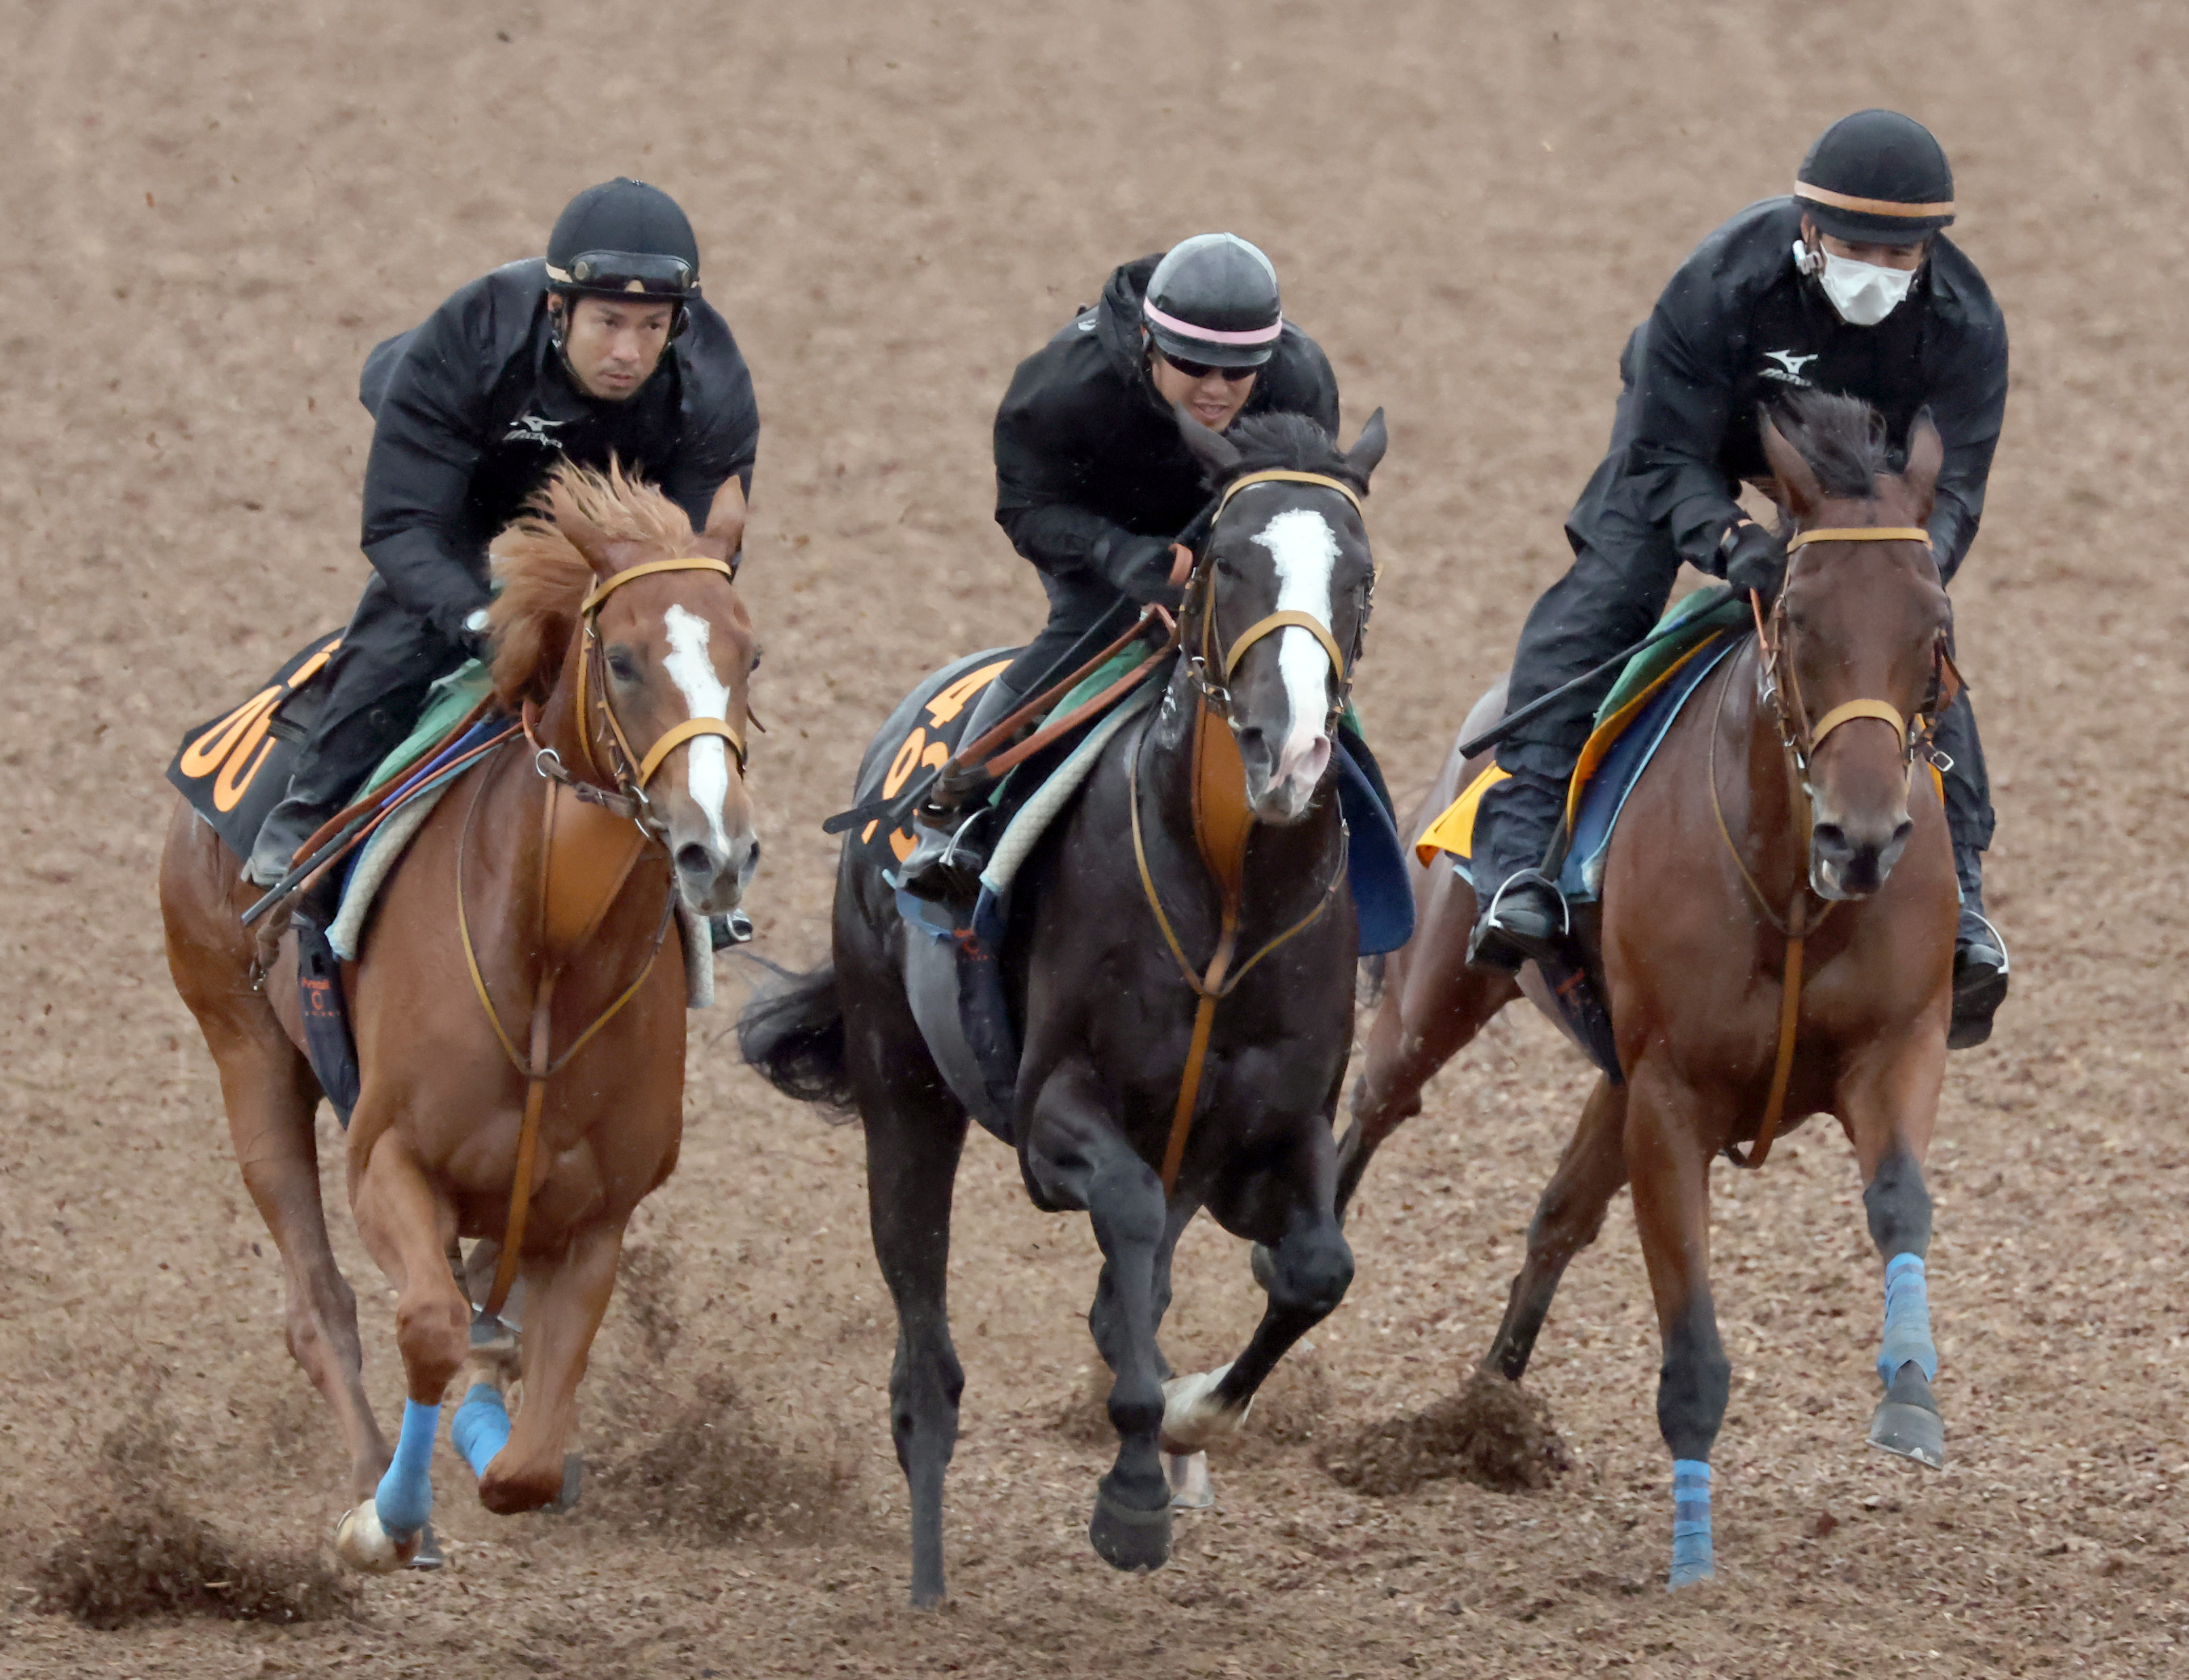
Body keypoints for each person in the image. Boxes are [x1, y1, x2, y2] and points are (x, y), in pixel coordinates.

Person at [1466, 109, 2012, 1049]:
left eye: (1901, 256)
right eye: (1853, 247)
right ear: (1807, 231)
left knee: (1910, 638)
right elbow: (1664, 454)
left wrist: (1896, 583)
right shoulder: (1720, 285)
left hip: (1860, 490)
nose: (1877, 274)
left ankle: (1961, 898)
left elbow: (1952, 494)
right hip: (1692, 445)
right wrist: (1728, 543)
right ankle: (1517, 865)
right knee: (1605, 602)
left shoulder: (1965, 325)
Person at [243, 177, 758, 895]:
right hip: (470, 489)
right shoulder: (471, 336)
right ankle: (308, 817)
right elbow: (402, 526)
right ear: (558, 309)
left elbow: (695, 560)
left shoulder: (713, 381)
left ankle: (704, 837)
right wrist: (480, 618)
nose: (629, 352)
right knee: (404, 635)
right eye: (607, 322)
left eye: (651, 327)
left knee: (681, 662)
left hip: (621, 512)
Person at [897, 232, 1341, 899]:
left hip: (1235, 538)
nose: (1218, 391)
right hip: (1098, 532)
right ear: (1148, 342)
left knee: (1301, 659)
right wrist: (1120, 557)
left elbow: (1303, 515)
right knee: (1084, 627)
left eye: (1238, 372)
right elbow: (1026, 508)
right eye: (1194, 365)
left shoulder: (1300, 379)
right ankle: (957, 812)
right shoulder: (1063, 386)